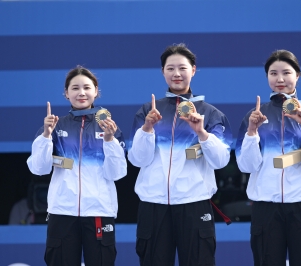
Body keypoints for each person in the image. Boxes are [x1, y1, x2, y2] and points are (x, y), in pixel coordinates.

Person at [128, 43, 233, 266]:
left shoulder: (211, 114)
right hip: (153, 204)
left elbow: (221, 160)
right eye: (170, 68)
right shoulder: (148, 111)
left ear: (193, 70)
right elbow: (137, 159)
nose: (176, 74)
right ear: (162, 72)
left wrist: (202, 133)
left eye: (182, 68)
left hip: (194, 203)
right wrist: (147, 129)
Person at [235, 50, 301, 266]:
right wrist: (252, 132)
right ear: (267, 77)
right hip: (266, 206)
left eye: (286, 73)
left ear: (298, 75)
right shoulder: (254, 116)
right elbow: (246, 166)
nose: (280, 79)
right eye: (273, 73)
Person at [27, 65, 127, 266]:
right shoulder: (55, 126)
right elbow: (39, 168)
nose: (81, 93)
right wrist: (46, 135)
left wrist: (109, 140)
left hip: (99, 211)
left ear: (96, 91)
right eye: (75, 88)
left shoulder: (109, 128)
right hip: (62, 212)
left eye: (87, 87)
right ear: (66, 93)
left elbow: (117, 173)